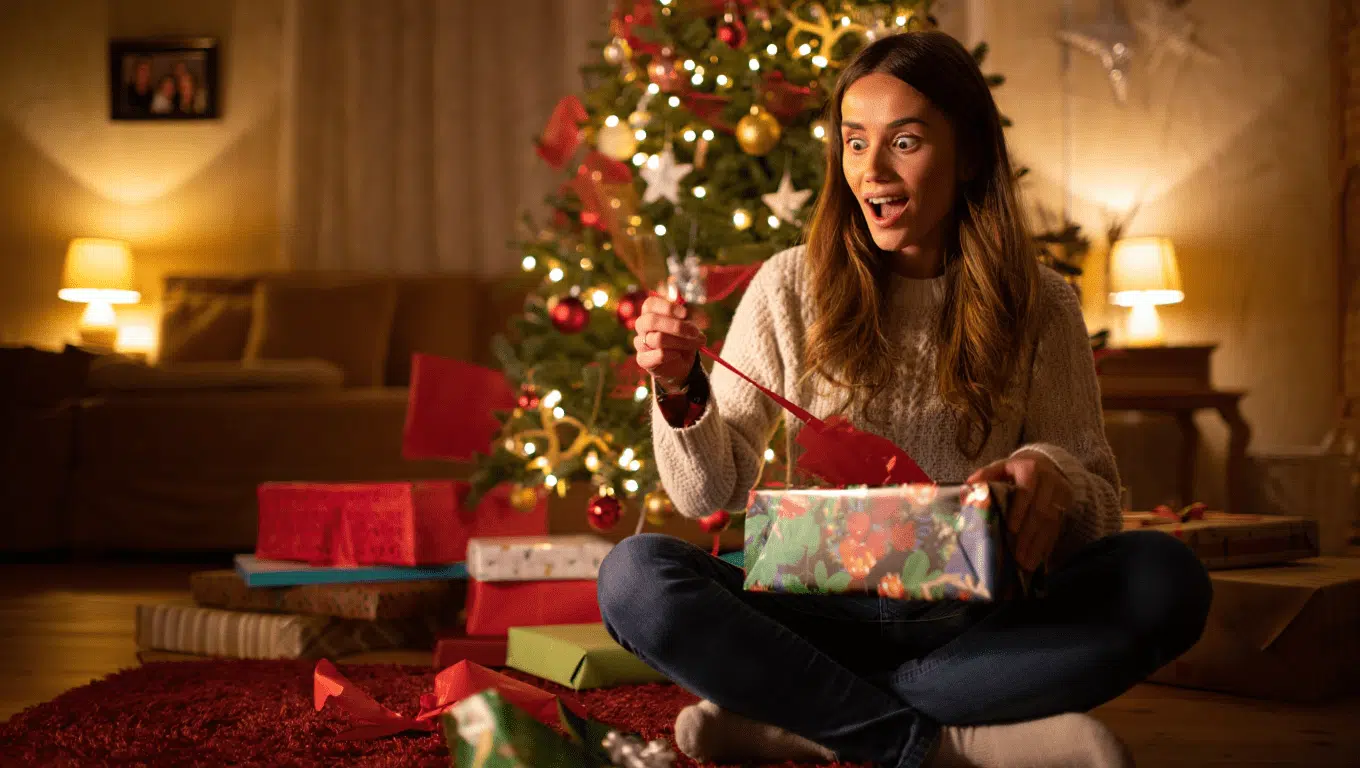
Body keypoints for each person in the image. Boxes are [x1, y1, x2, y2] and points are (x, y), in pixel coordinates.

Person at [597, 30, 1212, 768]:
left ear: (971, 155)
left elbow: (1101, 509)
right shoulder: (789, 284)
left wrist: (1046, 472)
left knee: (1164, 579)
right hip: (813, 611)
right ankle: (937, 742)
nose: (873, 170)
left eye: (906, 141)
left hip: (975, 618)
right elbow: (711, 487)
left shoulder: (1041, 301)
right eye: (855, 143)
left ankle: (805, 720)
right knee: (635, 579)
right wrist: (676, 389)